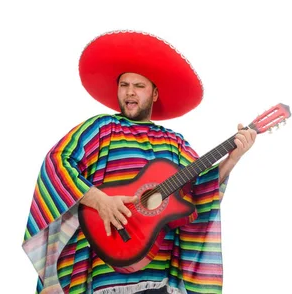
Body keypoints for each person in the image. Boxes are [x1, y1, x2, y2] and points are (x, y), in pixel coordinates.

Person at [21, 30, 257, 294]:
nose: (130, 92)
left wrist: (232, 159)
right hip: (105, 272)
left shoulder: (174, 142)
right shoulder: (100, 128)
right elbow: (57, 163)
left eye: (139, 86)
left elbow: (199, 191)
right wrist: (100, 201)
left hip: (159, 275)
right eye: (124, 85)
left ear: (154, 94)